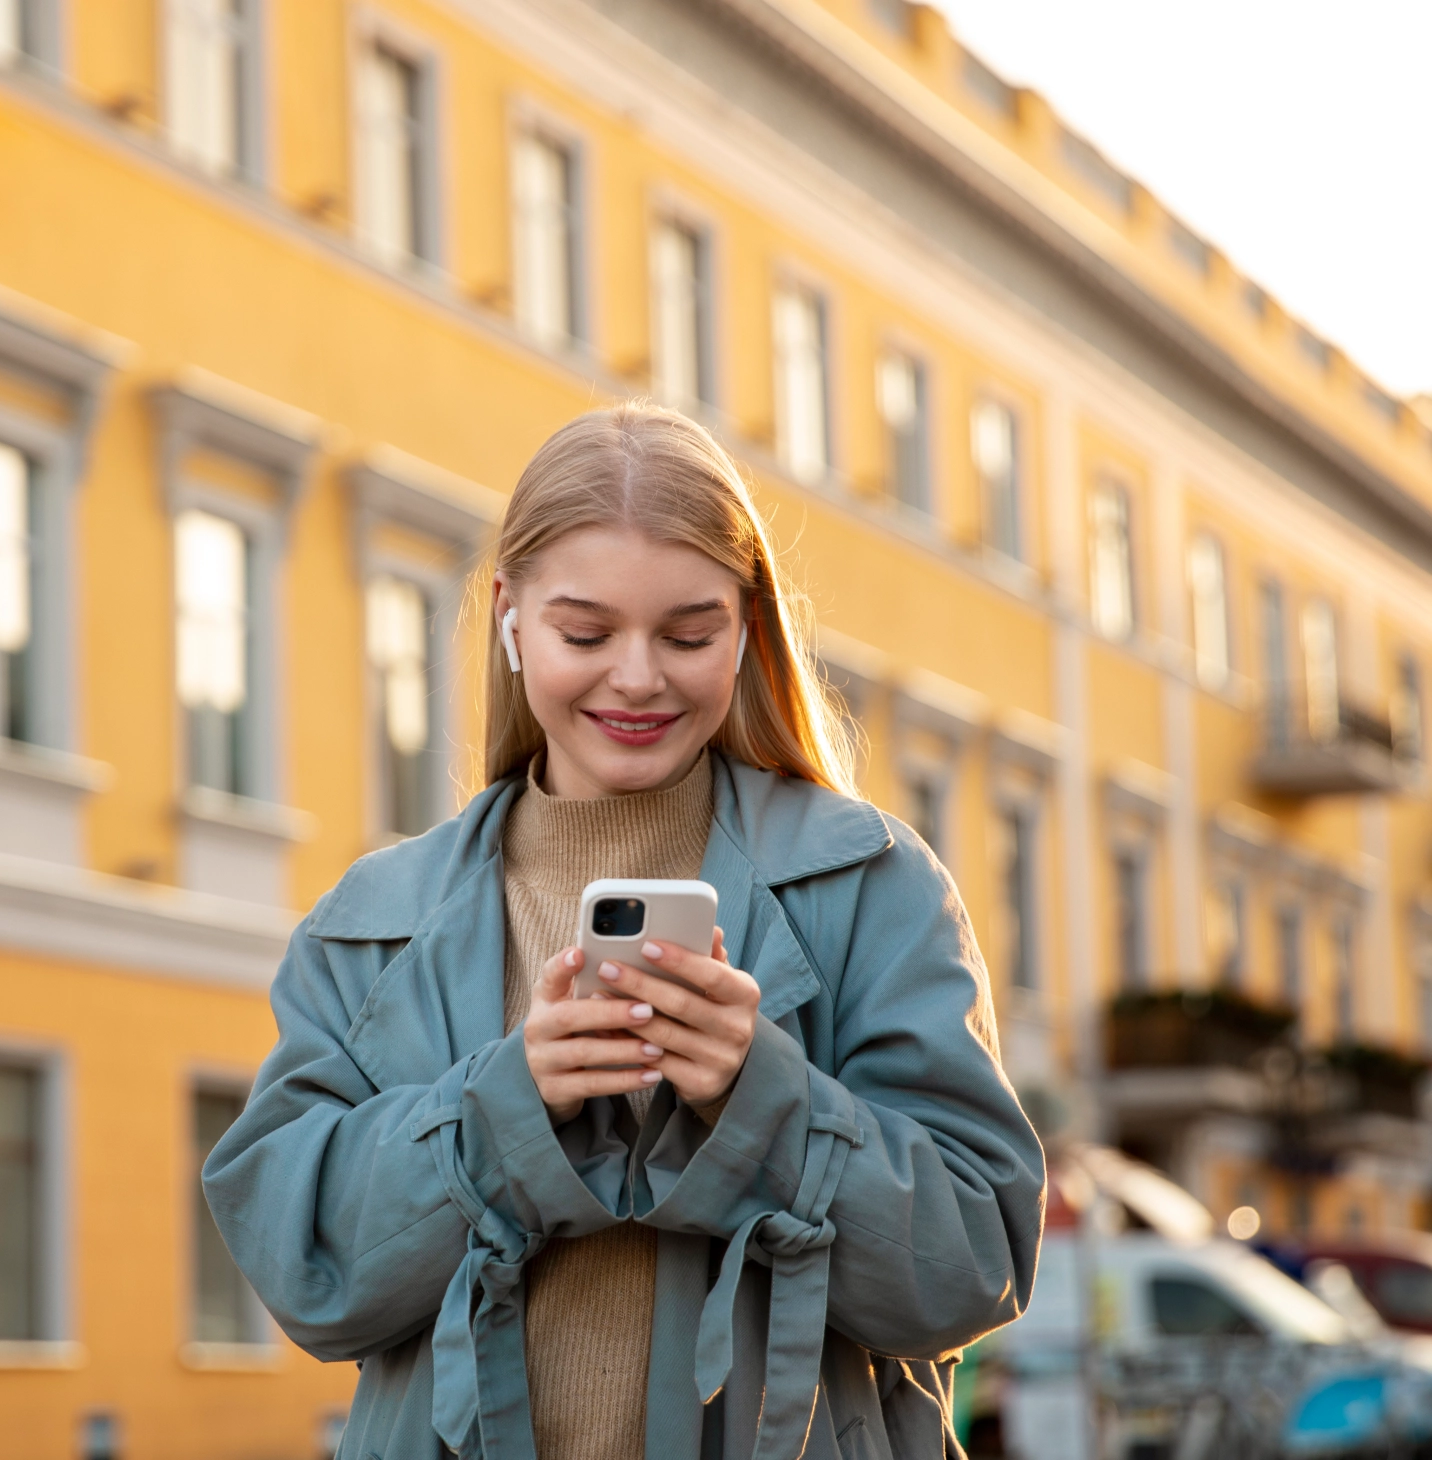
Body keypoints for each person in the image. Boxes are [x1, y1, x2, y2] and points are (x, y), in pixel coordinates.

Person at [204, 403, 1045, 1460]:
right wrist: (501, 1112)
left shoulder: (872, 885)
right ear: (510, 617)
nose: (639, 677)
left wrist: (761, 1102)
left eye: (689, 634)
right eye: (586, 633)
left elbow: (975, 1267)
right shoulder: (370, 928)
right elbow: (305, 1275)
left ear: (747, 628)